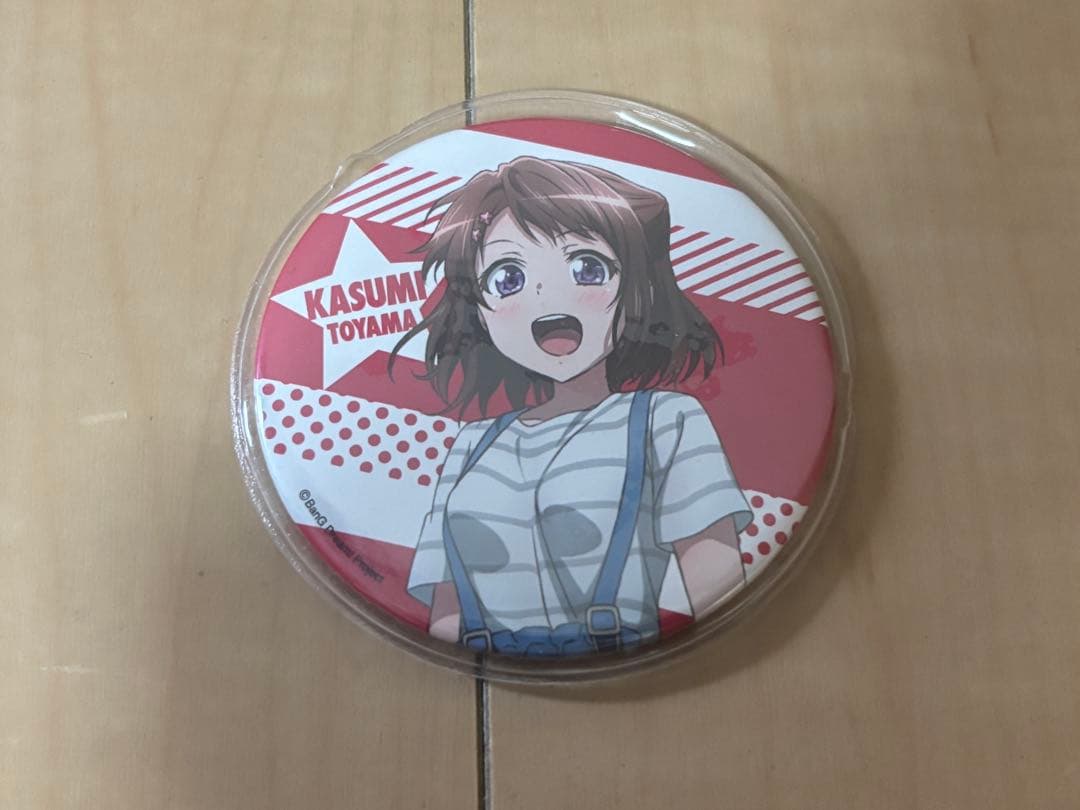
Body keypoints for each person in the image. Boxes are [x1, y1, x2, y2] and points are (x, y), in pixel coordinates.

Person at [390, 156, 751, 657]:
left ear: (637, 289)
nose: (547, 297)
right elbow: (446, 612)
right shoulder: (472, 444)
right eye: (507, 278)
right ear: (480, 313)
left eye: (587, 267)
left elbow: (717, 589)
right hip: (484, 666)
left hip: (625, 663)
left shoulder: (664, 422)